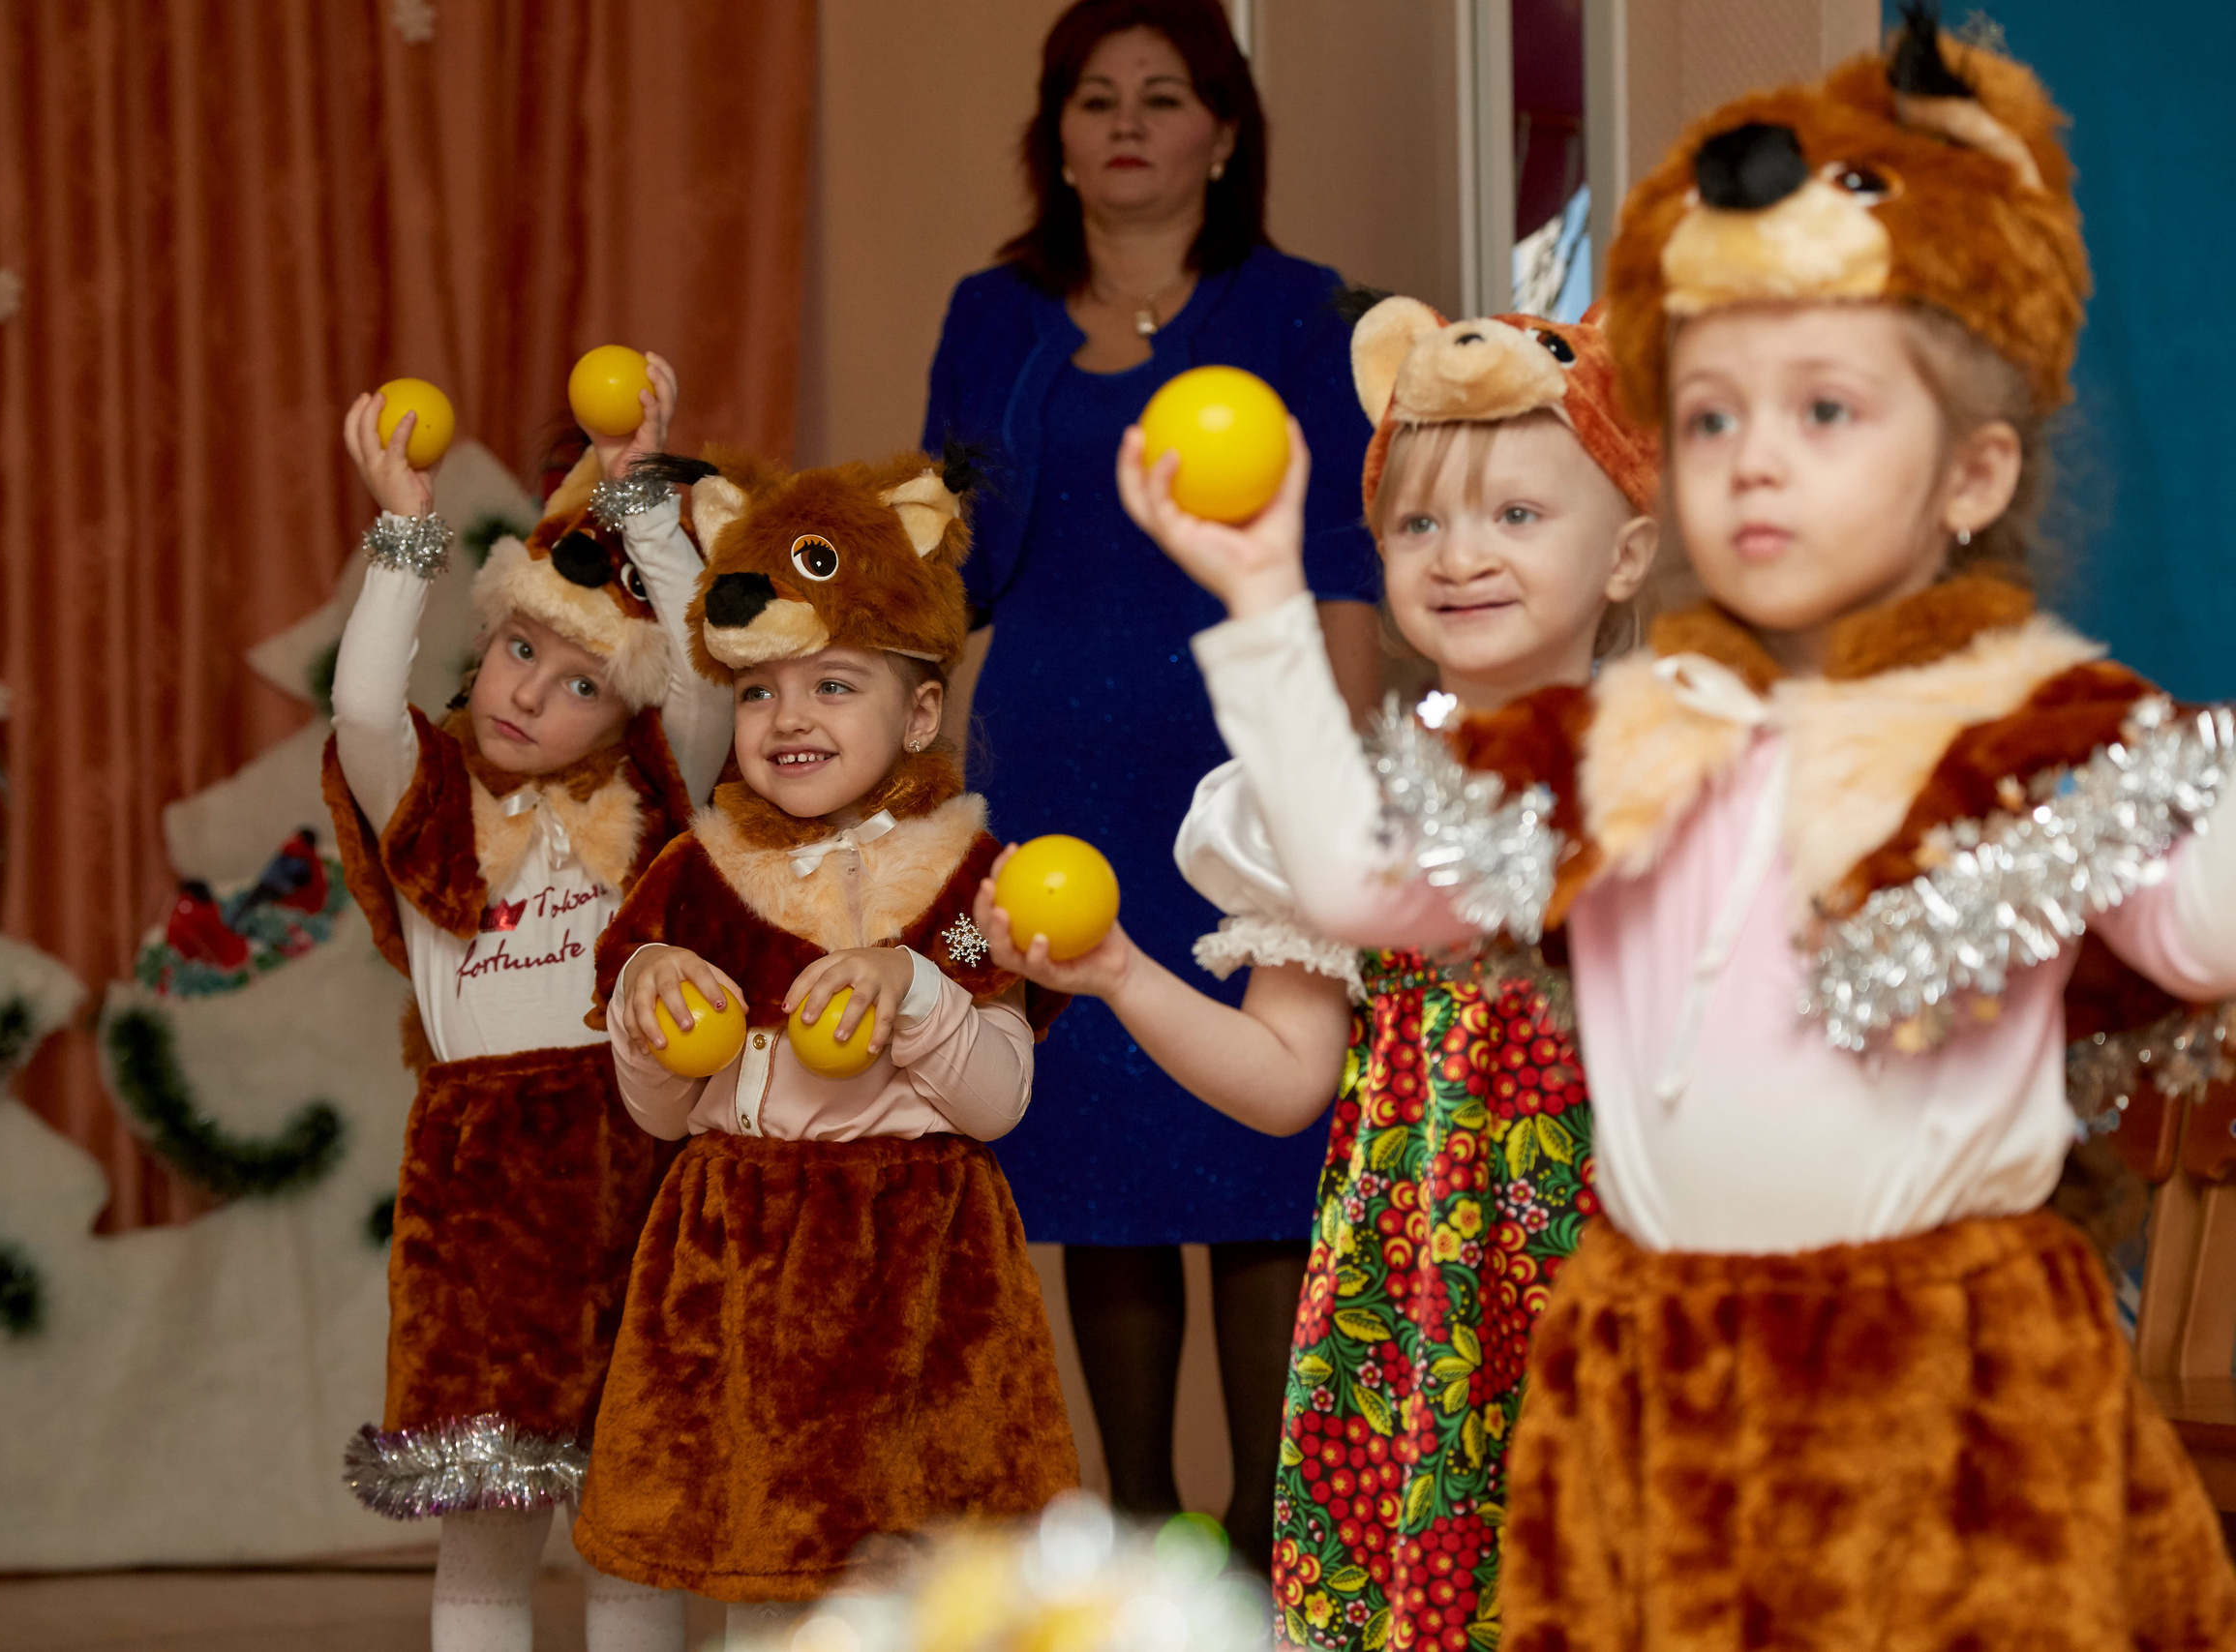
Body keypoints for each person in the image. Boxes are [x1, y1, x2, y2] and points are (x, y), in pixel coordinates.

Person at [1137, 12, 2236, 1646]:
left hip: (1953, 1366)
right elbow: (1369, 884)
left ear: (1969, 477)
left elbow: (2204, 935)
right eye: (1719, 419)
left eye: (1835, 417)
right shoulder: (1623, 748)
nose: (1766, 465)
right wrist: (1262, 603)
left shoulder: (2044, 732)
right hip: (1662, 1356)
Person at [1014, 299, 1655, 1646]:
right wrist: (1126, 972)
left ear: (1629, 551)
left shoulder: (1670, 772)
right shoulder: (1337, 798)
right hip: (1409, 1313)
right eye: (1418, 524)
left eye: (1516, 517)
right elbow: (1287, 1079)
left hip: (1623, 1287)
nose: (1459, 556)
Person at [920, 0, 1381, 1564]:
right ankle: (1126, 1545)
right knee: (1096, 1141)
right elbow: (950, 568)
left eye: (1162, 96)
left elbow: (1340, 573)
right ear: (1056, 133)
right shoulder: (994, 317)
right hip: (1047, 769)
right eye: (1094, 98)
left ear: (1224, 132)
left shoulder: (1300, 309)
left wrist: (1352, 788)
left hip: (1243, 780)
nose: (1125, 123)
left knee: (1257, 1143)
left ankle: (1265, 1544)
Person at [572, 446, 1080, 1637]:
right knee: (764, 1577)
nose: (787, 718)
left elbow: (999, 1101)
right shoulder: (696, 875)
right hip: (733, 1260)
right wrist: (648, 1003)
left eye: (832, 687)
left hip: (915, 1277)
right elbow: (655, 1116)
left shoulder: (967, 878)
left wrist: (911, 989)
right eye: (759, 693)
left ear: (918, 711)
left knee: (911, 1585)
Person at [323, 359, 729, 1652]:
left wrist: (641, 496)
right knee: (488, 1536)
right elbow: (358, 706)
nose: (524, 691)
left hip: (641, 1170)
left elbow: (709, 688)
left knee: (631, 1527)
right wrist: (403, 530)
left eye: (579, 682)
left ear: (628, 709)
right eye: (517, 648)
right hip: (483, 1197)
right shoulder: (428, 803)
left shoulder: (662, 806)